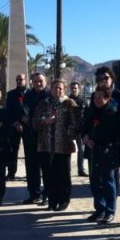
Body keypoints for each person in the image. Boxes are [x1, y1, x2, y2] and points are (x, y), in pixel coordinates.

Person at [33, 79, 79, 211]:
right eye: (55, 88)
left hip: (63, 146)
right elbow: (34, 122)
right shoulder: (43, 103)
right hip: (45, 146)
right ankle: (52, 201)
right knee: (48, 174)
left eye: (60, 88)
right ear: (51, 89)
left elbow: (76, 123)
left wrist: (68, 133)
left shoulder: (69, 103)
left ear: (64, 89)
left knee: (63, 174)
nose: (57, 90)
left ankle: (64, 200)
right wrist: (44, 121)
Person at [83, 85, 120, 224]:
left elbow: (113, 134)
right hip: (93, 151)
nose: (97, 100)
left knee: (108, 182)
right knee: (95, 182)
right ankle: (99, 209)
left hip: (107, 151)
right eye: (95, 97)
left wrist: (97, 140)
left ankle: (110, 211)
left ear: (107, 98)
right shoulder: (92, 111)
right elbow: (85, 127)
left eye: (100, 97)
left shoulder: (112, 113)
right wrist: (85, 138)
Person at [21, 72, 49, 204]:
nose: (38, 83)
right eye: (36, 81)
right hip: (30, 135)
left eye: (41, 81)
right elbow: (22, 111)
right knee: (31, 167)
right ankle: (34, 194)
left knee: (46, 167)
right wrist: (23, 118)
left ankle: (46, 195)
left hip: (45, 137)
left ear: (45, 82)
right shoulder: (27, 95)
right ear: (31, 82)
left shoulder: (49, 95)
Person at [5, 74, 28, 180]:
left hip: (28, 126)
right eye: (17, 80)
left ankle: (31, 173)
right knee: (12, 150)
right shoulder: (10, 94)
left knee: (30, 151)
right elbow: (8, 111)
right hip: (14, 126)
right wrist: (16, 122)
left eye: (21, 79)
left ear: (25, 80)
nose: (19, 81)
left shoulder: (31, 93)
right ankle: (11, 173)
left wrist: (26, 120)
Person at [68, 81, 88, 177]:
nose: (74, 90)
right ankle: (67, 170)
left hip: (81, 129)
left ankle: (81, 169)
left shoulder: (83, 100)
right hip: (70, 129)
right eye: (72, 88)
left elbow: (87, 113)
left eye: (75, 88)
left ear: (79, 89)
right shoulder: (66, 100)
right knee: (67, 149)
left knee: (81, 150)